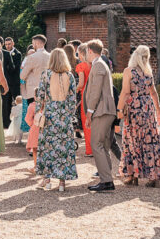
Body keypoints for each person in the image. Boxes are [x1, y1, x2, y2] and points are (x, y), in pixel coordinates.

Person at [117, 45, 160, 187]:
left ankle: (132, 176)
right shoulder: (148, 73)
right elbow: (153, 93)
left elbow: (125, 92)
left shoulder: (129, 71)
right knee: (151, 141)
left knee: (132, 141)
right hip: (148, 110)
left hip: (134, 110)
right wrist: (158, 108)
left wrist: (119, 109)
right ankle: (154, 177)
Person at [33, 48, 78, 192]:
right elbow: (73, 99)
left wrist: (37, 112)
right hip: (64, 115)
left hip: (50, 115)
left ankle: (47, 181)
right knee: (64, 148)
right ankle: (62, 183)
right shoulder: (70, 76)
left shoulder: (45, 75)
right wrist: (70, 114)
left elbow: (40, 96)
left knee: (48, 147)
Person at [83, 39, 117, 192]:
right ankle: (107, 178)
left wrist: (89, 112)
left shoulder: (97, 65)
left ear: (90, 51)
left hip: (101, 110)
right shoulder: (102, 64)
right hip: (106, 109)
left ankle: (106, 180)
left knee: (96, 144)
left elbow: (95, 91)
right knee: (103, 145)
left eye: (86, 53)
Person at [20, 35, 49, 104]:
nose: (33, 46)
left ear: (37, 43)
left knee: (33, 113)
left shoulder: (32, 57)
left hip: (33, 91)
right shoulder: (50, 56)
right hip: (47, 90)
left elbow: (22, 76)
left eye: (33, 43)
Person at [75, 44, 92, 157]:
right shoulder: (93, 64)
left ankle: (89, 150)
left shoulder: (81, 66)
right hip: (94, 94)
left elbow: (81, 83)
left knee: (87, 123)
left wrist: (75, 90)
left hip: (85, 96)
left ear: (81, 53)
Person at [2, 37, 22, 130]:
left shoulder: (17, 54)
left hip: (14, 82)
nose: (8, 46)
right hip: (6, 82)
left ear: (13, 43)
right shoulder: (3, 54)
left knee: (18, 102)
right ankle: (6, 123)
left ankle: (20, 122)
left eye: (9, 44)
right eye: (6, 44)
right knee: (6, 103)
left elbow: (15, 69)